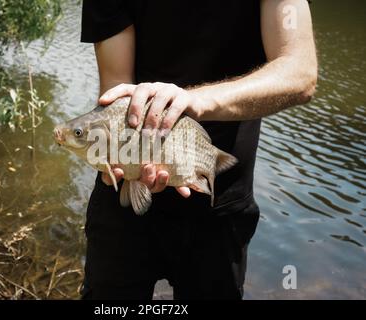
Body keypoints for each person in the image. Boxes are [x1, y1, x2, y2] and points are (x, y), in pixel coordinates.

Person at [80, 0, 317, 299]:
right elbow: (116, 88)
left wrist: (197, 102)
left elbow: (300, 74)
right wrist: (115, 158)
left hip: (220, 201)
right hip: (125, 195)